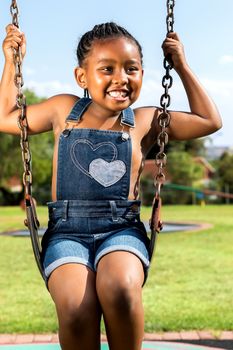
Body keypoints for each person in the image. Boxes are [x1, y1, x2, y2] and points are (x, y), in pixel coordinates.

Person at [0, 22, 222, 350]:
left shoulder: (145, 120)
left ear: (143, 74)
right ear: (82, 77)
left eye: (131, 69)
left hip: (122, 231)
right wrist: (10, 61)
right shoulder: (62, 110)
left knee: (119, 289)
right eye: (107, 69)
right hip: (67, 233)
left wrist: (182, 67)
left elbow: (209, 121)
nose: (121, 78)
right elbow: (6, 116)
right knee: (77, 308)